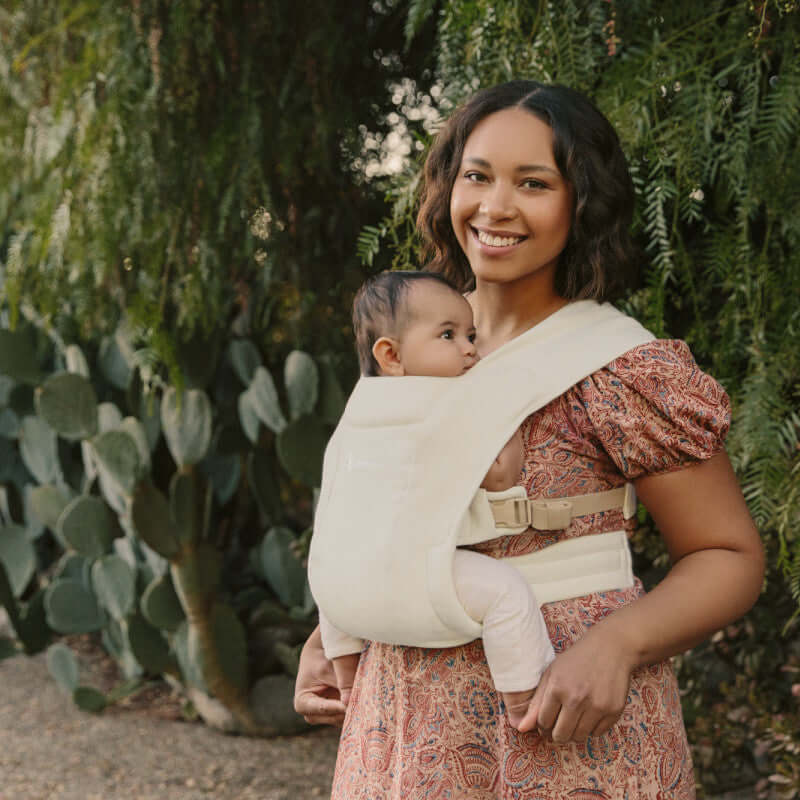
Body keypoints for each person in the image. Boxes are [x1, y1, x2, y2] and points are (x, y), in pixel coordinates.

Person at [294, 80, 764, 798]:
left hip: (569, 725)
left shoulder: (621, 369)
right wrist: (333, 636)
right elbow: (373, 523)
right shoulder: (411, 348)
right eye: (476, 176)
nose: (495, 206)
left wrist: (618, 644)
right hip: (407, 728)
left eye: (534, 183)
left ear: (583, 203)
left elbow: (728, 556)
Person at [317, 269, 556, 729]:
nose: (470, 348)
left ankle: (348, 684)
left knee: (333, 586)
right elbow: (501, 475)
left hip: (342, 581)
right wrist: (505, 412)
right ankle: (524, 702)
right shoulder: (450, 401)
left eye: (470, 334)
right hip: (416, 573)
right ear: (390, 354)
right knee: (507, 594)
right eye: (448, 335)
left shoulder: (359, 405)